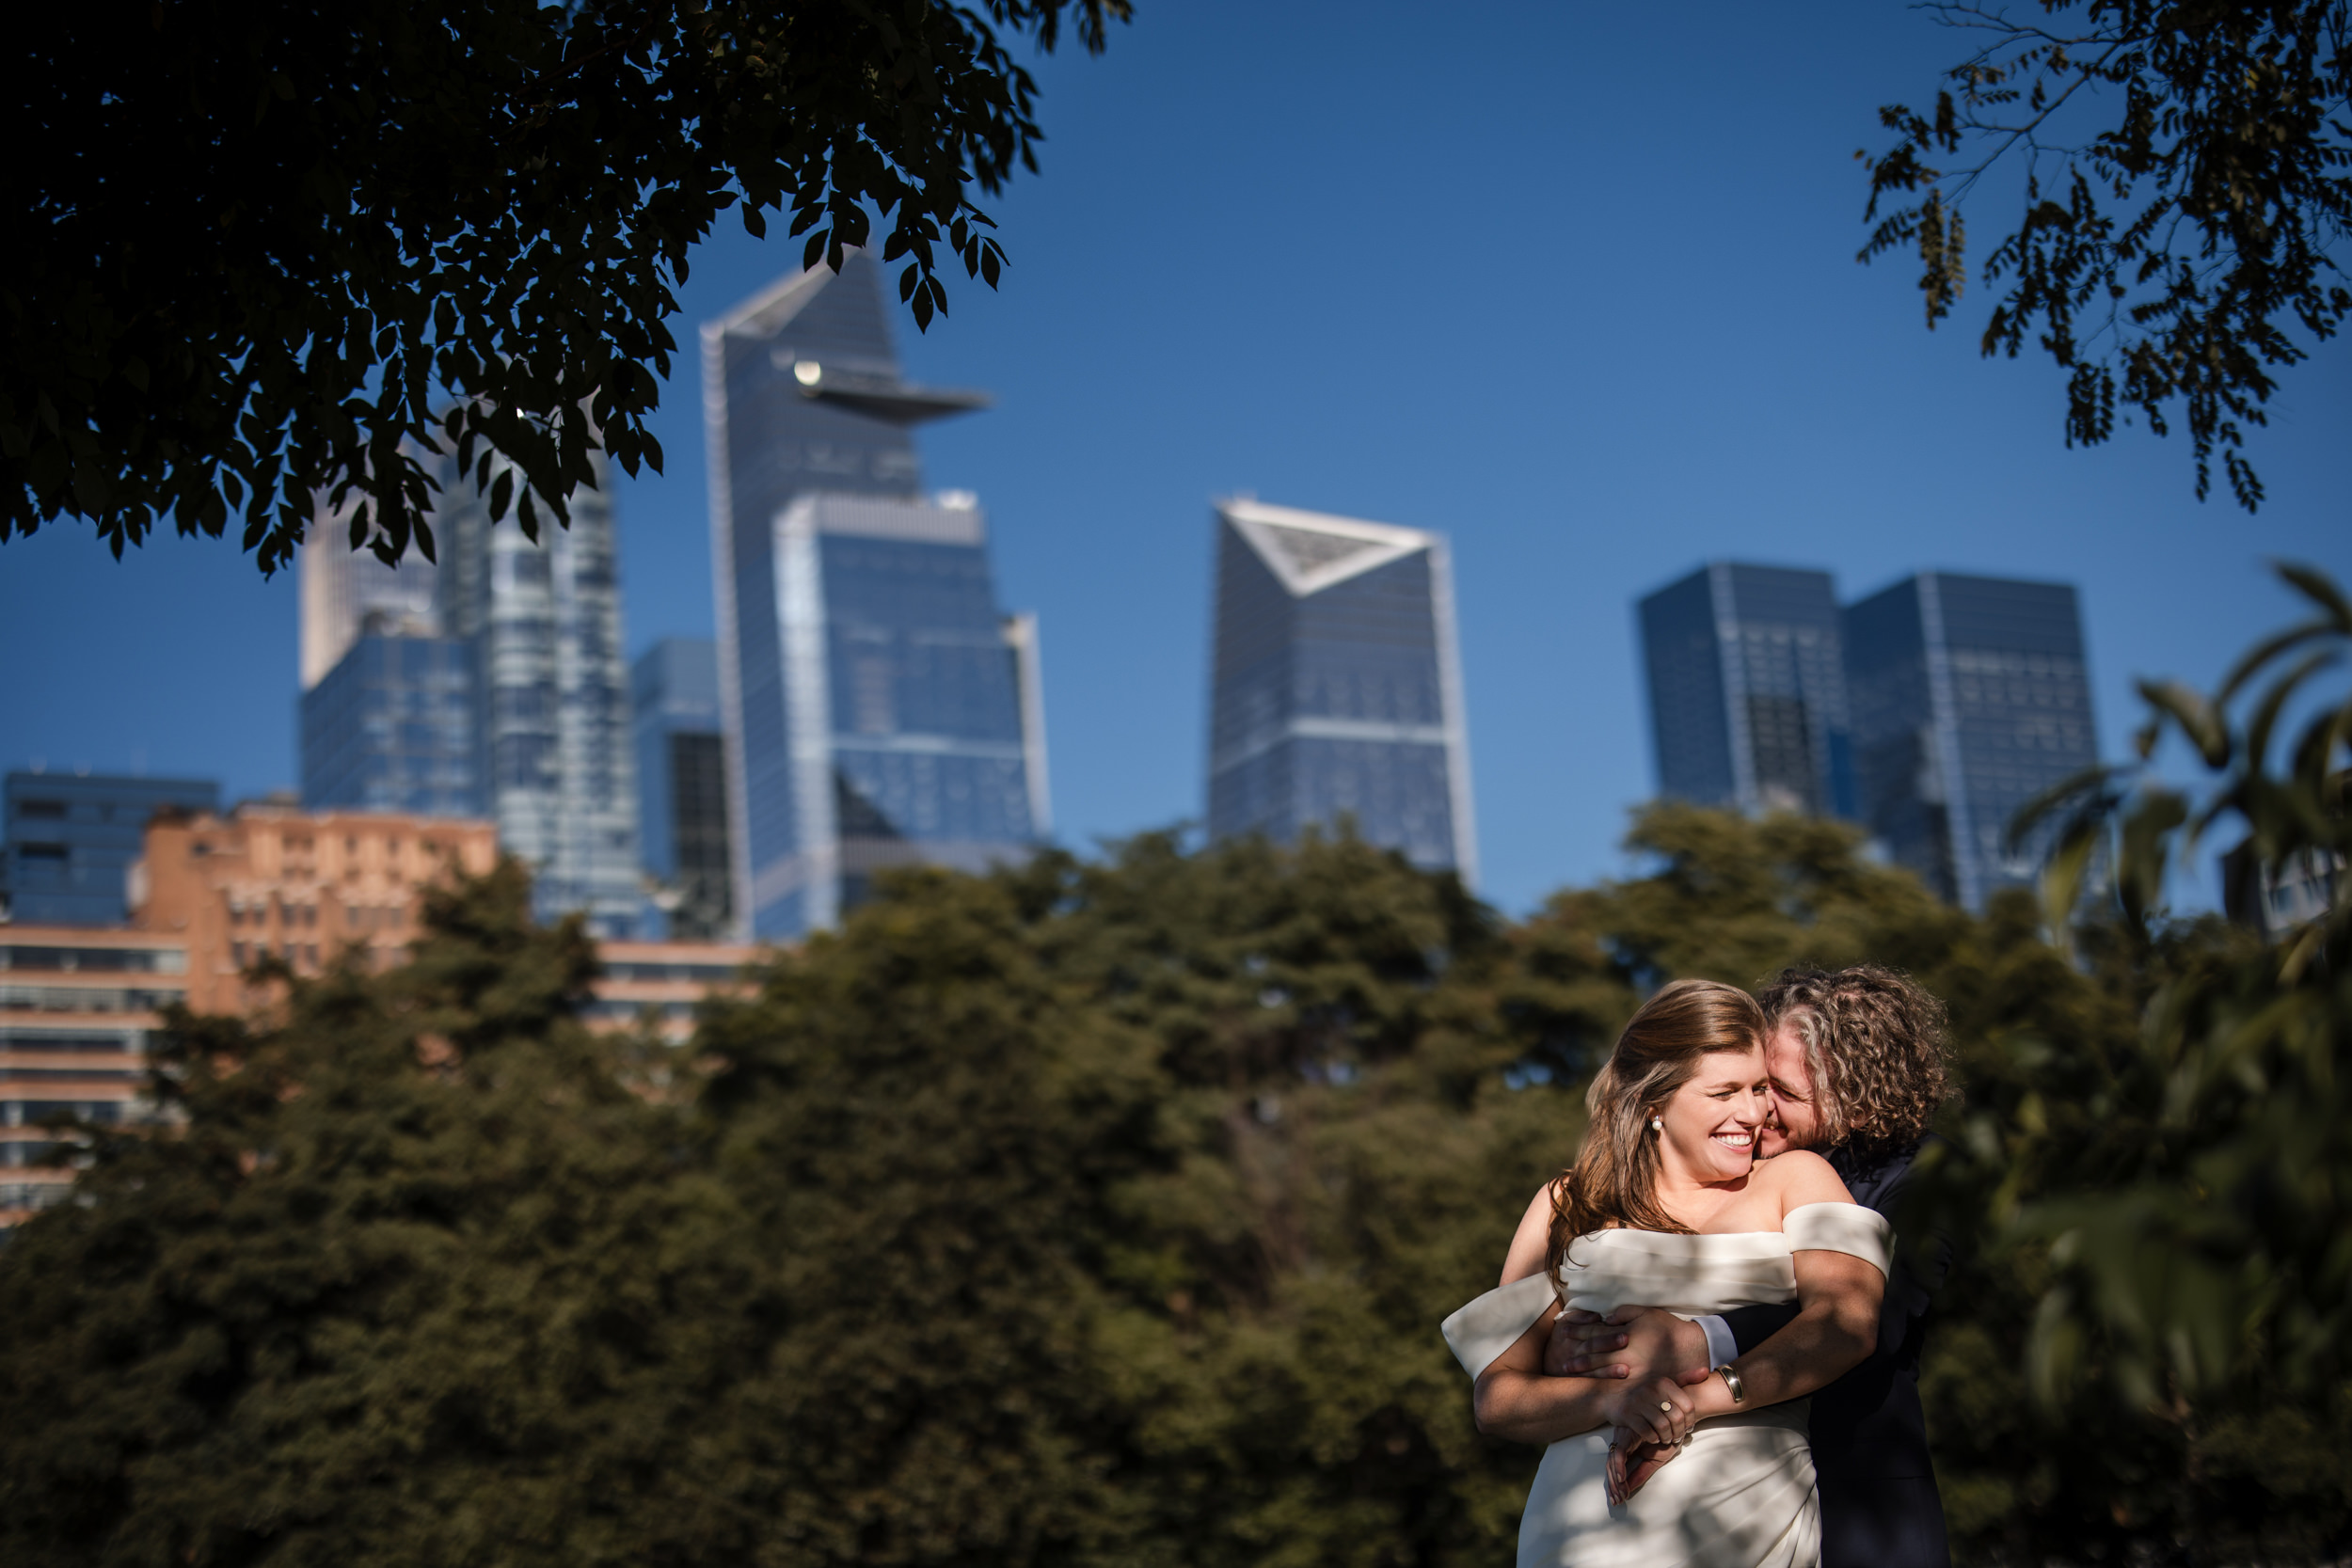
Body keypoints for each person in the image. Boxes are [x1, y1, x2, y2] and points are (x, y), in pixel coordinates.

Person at [1440, 978, 1889, 1568]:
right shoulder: (1567, 1202)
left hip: (1749, 1512)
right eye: (1724, 1091)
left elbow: (1847, 1323)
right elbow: (1497, 1399)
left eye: (1759, 1088)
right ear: (1655, 1101)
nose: (1753, 1113)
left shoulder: (1797, 1179)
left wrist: (1697, 1399)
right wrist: (1618, 1399)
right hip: (1582, 1530)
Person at [1546, 966, 1954, 1568]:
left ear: (1856, 1093)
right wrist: (1576, 1347)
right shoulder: (1721, 1170)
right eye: (1751, 1086)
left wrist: (1695, 1342)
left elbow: (1874, 1314)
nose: (1758, 1111)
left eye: (1780, 1092)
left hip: (1855, 1498)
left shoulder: (1924, 1179)